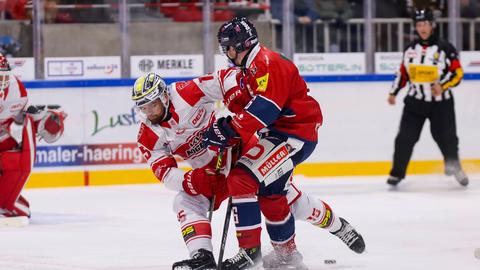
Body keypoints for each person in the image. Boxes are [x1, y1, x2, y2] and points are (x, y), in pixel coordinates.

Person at [133, 70, 365, 269]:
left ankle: (338, 226)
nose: (150, 112)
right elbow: (163, 171)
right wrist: (190, 181)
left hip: (242, 149)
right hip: (209, 174)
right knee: (185, 202)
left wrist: (238, 111)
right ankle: (202, 256)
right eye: (144, 108)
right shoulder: (147, 134)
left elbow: (225, 79)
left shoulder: (186, 91)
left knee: (285, 199)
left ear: (164, 96)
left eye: (152, 105)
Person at [202, 17, 366, 269]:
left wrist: (231, 129)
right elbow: (252, 107)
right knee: (274, 195)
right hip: (279, 135)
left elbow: (265, 110)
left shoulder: (267, 63)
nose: (226, 52)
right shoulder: (251, 67)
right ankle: (299, 248)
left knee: (242, 179)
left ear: (239, 44)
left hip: (295, 135)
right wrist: (229, 125)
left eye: (228, 47)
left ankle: (250, 252)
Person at [387, 9, 468, 187]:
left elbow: (458, 73)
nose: (422, 28)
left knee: (447, 138)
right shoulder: (410, 49)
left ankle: (455, 168)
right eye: (418, 25)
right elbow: (402, 74)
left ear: (432, 26)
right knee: (404, 138)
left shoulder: (445, 48)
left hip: (441, 104)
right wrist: (393, 92)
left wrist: (442, 86)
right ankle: (397, 174)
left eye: (425, 24)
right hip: (414, 102)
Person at [0, 53, 66, 227]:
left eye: (3, 77)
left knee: (14, 159)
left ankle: (8, 201)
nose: (1, 83)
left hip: (3, 136)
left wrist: (42, 119)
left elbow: (22, 115)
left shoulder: (16, 89)